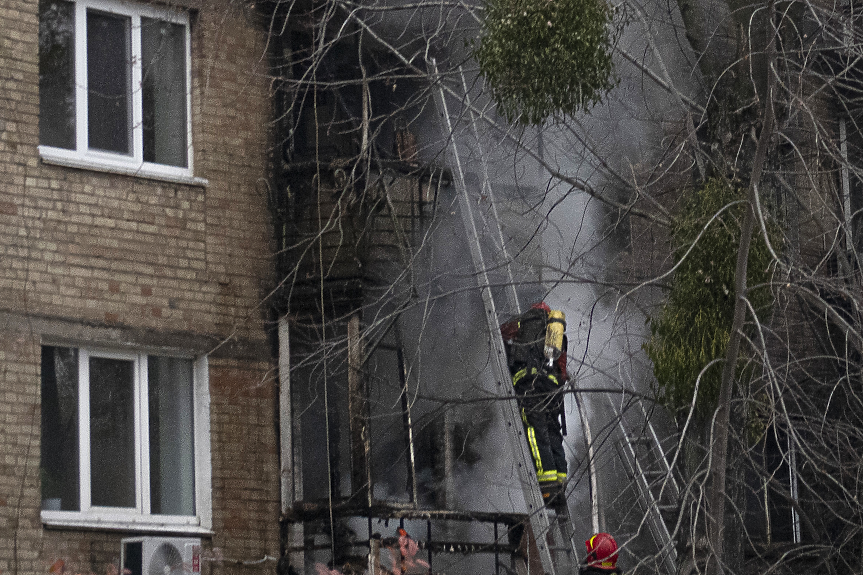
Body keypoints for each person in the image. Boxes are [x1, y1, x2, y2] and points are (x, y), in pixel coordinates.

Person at [500, 302, 569, 507]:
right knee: (552, 432)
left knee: (534, 430)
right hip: (553, 389)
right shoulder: (557, 335)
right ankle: (560, 485)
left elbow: (502, 333)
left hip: (529, 384)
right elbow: (563, 370)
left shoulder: (523, 322)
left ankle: (547, 488)